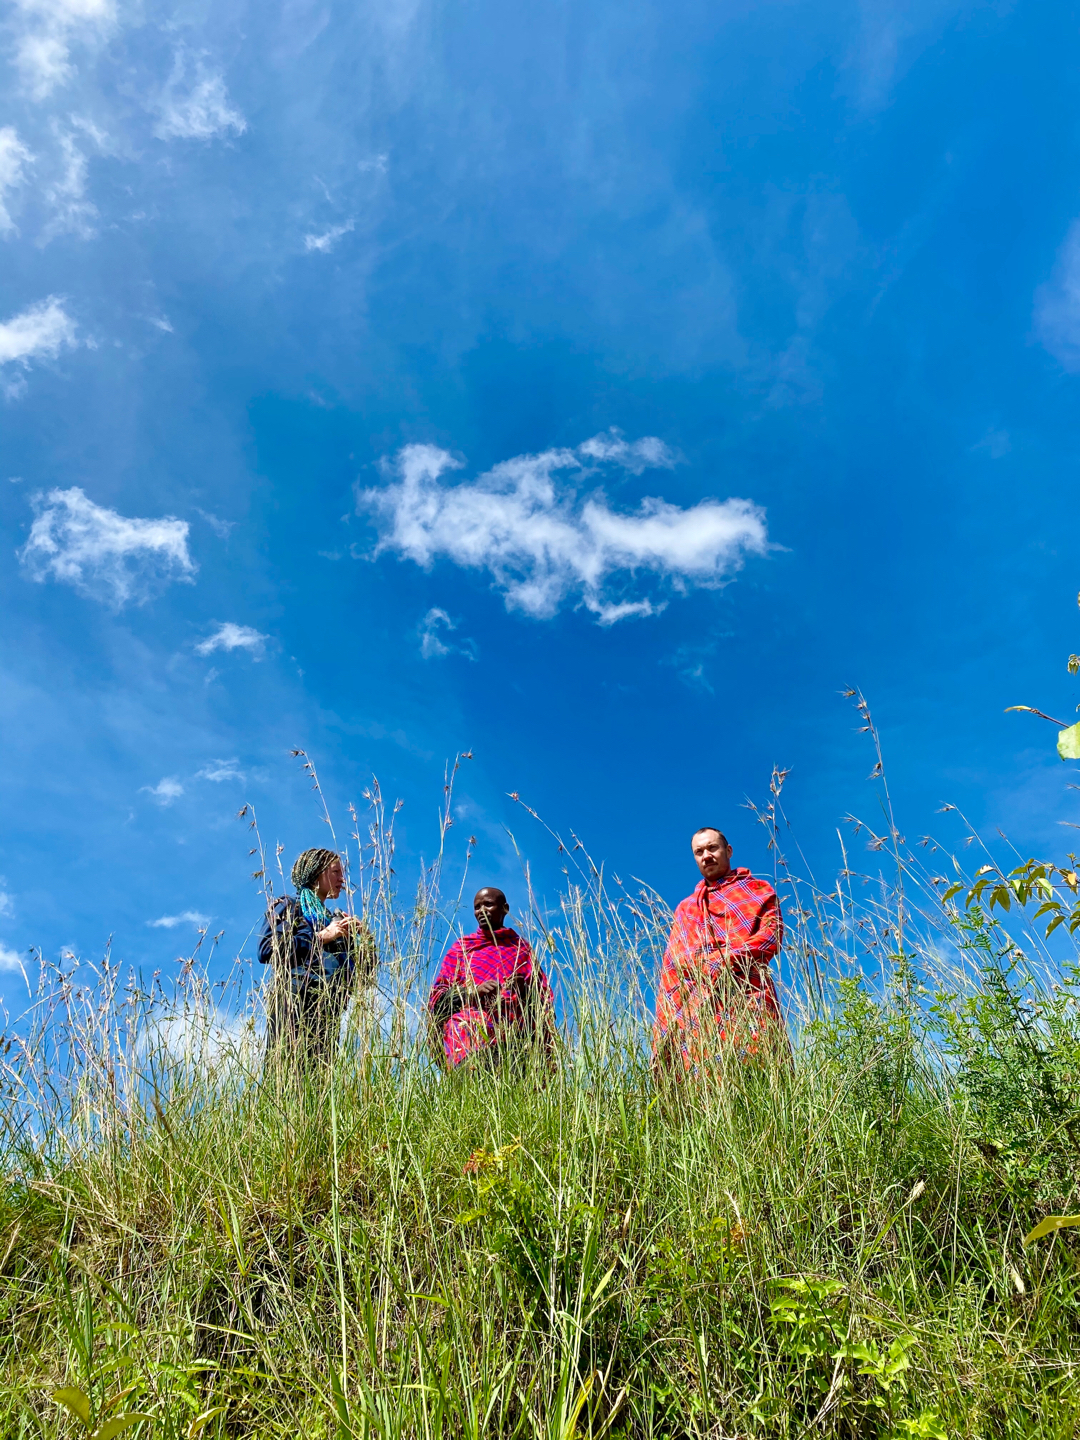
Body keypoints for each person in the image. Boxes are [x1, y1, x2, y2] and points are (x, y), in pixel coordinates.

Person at [653, 827, 786, 1076]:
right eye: (699, 852)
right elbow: (675, 962)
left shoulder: (758, 891)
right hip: (699, 1008)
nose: (706, 856)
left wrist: (724, 959)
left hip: (750, 995)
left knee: (761, 1072)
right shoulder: (686, 909)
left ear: (728, 850)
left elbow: (771, 936)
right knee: (704, 1081)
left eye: (712, 848)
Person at [259, 847, 376, 1072]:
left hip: (328, 1009)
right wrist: (323, 936)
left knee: (319, 1083)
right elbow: (268, 950)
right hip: (293, 1001)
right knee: (286, 1073)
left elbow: (363, 976)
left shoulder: (336, 920)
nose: (342, 879)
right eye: (336, 872)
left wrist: (364, 938)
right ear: (317, 873)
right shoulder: (290, 906)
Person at [428, 887, 554, 1070]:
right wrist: (473, 992)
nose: (481, 911)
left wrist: (524, 991)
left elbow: (544, 1000)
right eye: (477, 907)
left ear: (505, 908)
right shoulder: (462, 948)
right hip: (469, 1038)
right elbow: (438, 998)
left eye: (488, 904)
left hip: (516, 1038)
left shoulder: (521, 948)